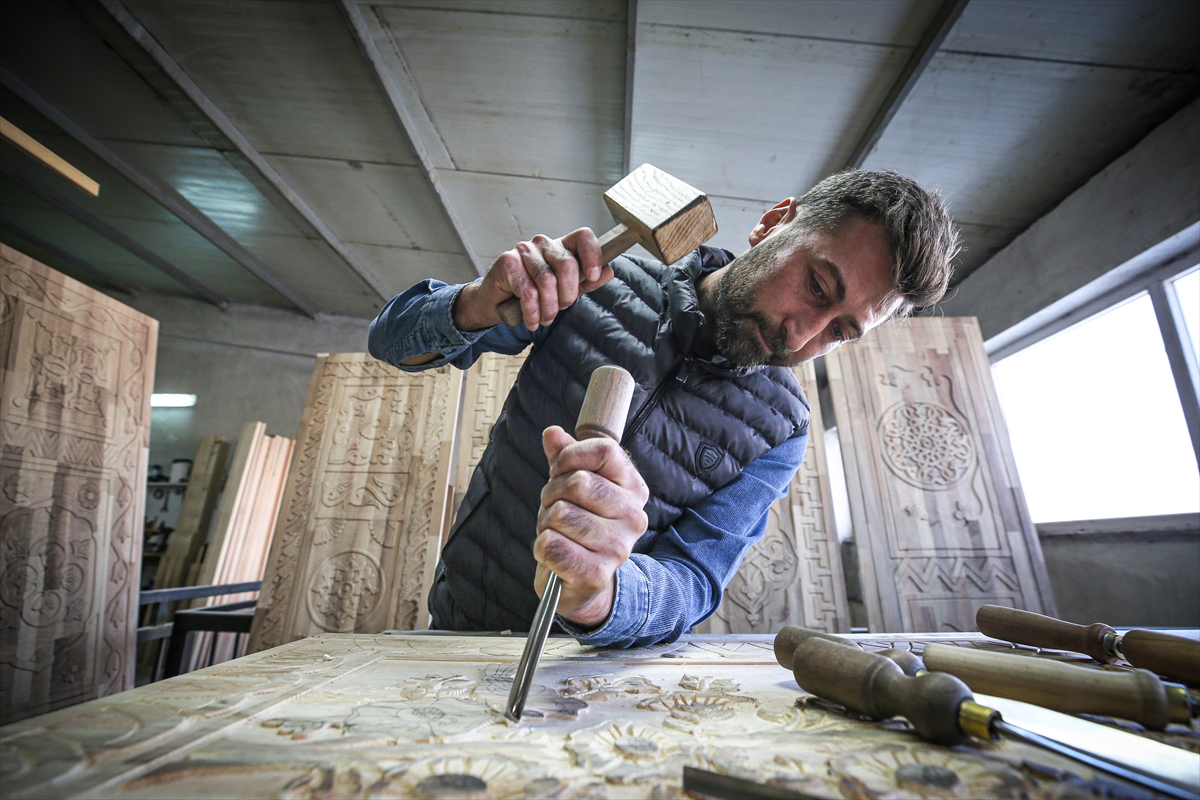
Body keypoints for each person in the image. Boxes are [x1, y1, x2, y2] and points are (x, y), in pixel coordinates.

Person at [368, 169, 959, 647]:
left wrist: (602, 596)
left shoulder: (785, 429)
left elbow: (696, 575)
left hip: (593, 667)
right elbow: (390, 342)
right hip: (459, 627)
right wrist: (475, 303)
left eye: (840, 332)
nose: (801, 336)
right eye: (816, 287)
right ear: (775, 223)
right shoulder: (600, 282)